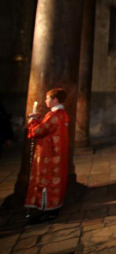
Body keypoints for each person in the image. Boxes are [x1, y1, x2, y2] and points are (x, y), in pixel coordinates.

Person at [25, 88, 69, 224]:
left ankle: (49, 209)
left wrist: (32, 121)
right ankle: (50, 208)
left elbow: (39, 131)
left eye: (48, 98)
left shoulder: (54, 115)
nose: (46, 101)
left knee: (48, 181)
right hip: (56, 153)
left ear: (55, 100)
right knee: (54, 180)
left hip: (50, 154)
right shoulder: (62, 114)